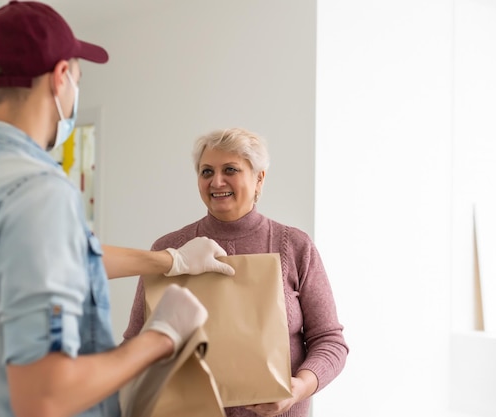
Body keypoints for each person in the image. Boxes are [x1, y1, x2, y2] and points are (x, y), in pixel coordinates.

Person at [0, 2, 235, 417]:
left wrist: (169, 260)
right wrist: (162, 337)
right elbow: (46, 396)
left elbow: (49, 262)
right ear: (61, 77)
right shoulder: (38, 193)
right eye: (78, 79)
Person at [123, 127, 349, 417]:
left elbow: (330, 341)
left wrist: (298, 388)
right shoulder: (169, 249)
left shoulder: (294, 246)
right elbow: (136, 342)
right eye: (206, 172)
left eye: (230, 169)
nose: (217, 181)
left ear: (259, 178)